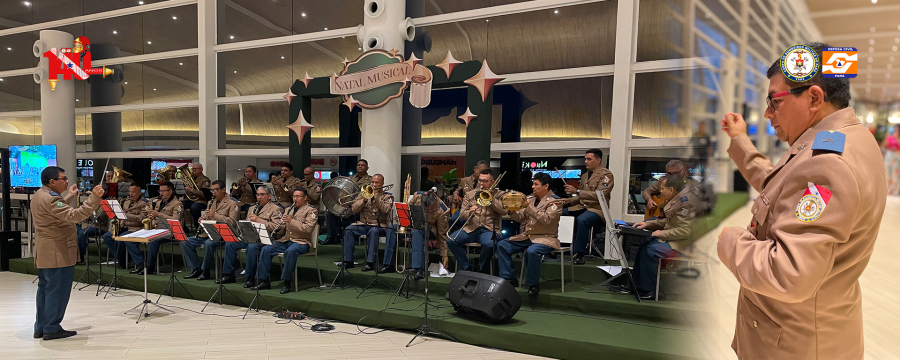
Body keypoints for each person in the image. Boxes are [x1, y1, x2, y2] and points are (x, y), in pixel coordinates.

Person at [717, 42, 886, 360]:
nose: (767, 113)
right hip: (818, 330)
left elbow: (789, 273)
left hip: (795, 343)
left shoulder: (829, 162)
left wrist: (731, 242)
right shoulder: (839, 136)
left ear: (814, 98)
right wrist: (740, 140)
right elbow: (785, 187)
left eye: (774, 101)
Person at [32, 166, 104, 340]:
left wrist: (70, 195)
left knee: (45, 290)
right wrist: (94, 198)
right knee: (58, 291)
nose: (67, 181)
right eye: (63, 179)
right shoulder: (51, 199)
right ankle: (52, 327)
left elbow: (57, 210)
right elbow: (74, 216)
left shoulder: (40, 195)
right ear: (52, 182)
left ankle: (41, 326)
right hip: (58, 252)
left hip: (45, 250)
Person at [630, 176, 702, 300]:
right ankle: (638, 285)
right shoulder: (677, 198)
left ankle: (652, 290)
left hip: (686, 244)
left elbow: (685, 231)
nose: (661, 191)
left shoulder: (686, 203)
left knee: (650, 250)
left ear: (671, 189)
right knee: (643, 246)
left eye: (663, 188)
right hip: (677, 239)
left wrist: (660, 234)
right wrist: (648, 224)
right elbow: (669, 222)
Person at [498, 172, 561, 296]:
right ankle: (509, 278)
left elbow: (546, 219)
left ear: (546, 186)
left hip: (546, 238)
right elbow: (521, 217)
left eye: (536, 184)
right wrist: (511, 210)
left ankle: (533, 284)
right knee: (502, 245)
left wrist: (529, 207)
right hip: (528, 236)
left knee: (532, 251)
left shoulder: (556, 202)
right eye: (533, 184)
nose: (532, 187)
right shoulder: (530, 199)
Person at [254, 188, 317, 293]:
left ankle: (287, 282)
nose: (295, 199)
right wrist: (278, 227)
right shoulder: (288, 209)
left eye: (298, 196)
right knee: (266, 249)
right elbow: (283, 227)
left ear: (305, 198)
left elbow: (308, 229)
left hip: (301, 241)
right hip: (286, 240)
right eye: (294, 196)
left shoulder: (311, 210)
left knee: (291, 251)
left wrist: (291, 221)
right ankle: (263, 280)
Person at [558, 149, 614, 264]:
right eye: (585, 159)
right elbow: (580, 197)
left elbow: (601, 195)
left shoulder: (606, 175)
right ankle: (559, 247)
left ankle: (580, 254)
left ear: (598, 160)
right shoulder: (584, 176)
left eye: (589, 159)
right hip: (581, 207)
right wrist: (568, 200)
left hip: (597, 210)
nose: (586, 161)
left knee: (582, 220)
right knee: (560, 214)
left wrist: (577, 191)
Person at [219, 187, 282, 288]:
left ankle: (250, 277)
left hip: (265, 238)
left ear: (269, 196)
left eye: (262, 195)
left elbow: (276, 228)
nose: (259, 197)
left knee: (252, 247)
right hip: (249, 236)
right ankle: (228, 274)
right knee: (230, 243)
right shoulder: (252, 208)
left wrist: (258, 220)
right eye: (257, 195)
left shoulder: (275, 208)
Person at [446, 169, 506, 273]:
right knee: (451, 240)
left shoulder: (500, 194)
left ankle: (480, 268)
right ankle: (467, 267)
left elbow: (504, 211)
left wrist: (491, 199)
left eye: (485, 181)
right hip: (472, 228)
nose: (481, 183)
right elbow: (462, 215)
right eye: (480, 180)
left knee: (489, 244)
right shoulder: (470, 194)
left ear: (493, 182)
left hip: (489, 229)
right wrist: (470, 212)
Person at [384, 190, 451, 279]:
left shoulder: (443, 210)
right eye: (425, 209)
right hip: (413, 224)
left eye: (431, 209)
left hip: (430, 230)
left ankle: (419, 269)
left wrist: (444, 255)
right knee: (392, 228)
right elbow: (407, 209)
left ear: (435, 201)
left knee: (417, 232)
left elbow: (443, 235)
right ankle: (389, 264)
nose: (428, 211)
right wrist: (401, 216)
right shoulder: (417, 196)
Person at [182, 180, 240, 280]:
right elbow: (208, 218)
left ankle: (206, 270)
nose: (213, 193)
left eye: (216, 190)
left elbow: (232, 222)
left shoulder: (232, 203)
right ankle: (196, 268)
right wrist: (203, 220)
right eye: (212, 190)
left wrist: (215, 216)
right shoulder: (210, 202)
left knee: (208, 244)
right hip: (209, 233)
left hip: (224, 235)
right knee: (185, 241)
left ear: (223, 190)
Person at [125, 181, 183, 275]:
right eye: (160, 191)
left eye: (163, 191)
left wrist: (158, 214)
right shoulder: (158, 202)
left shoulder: (178, 204)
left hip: (170, 231)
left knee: (153, 241)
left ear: (170, 192)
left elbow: (176, 219)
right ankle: (140, 264)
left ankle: (149, 267)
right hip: (155, 229)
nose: (160, 193)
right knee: (129, 239)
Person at [342, 174, 395, 271]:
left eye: (376, 182)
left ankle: (370, 263)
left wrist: (377, 197)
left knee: (373, 231)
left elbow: (385, 210)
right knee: (349, 229)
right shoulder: (363, 194)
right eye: (372, 182)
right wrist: (364, 200)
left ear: (382, 183)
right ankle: (348, 261)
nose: (374, 184)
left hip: (379, 225)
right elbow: (354, 209)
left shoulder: (388, 197)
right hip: (363, 224)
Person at [100, 183, 149, 269]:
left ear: (139, 192)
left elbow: (141, 218)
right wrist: (120, 223)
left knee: (122, 237)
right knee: (107, 236)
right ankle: (121, 258)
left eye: (133, 192)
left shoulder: (145, 204)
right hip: (124, 227)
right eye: (130, 191)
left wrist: (125, 215)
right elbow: (122, 217)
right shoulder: (126, 202)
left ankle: (132, 262)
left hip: (136, 228)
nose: (131, 194)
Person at [325, 160, 371, 244]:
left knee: (356, 214)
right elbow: (342, 193)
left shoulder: (370, 180)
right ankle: (331, 237)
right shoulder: (349, 179)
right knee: (331, 213)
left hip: (359, 207)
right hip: (346, 205)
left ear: (367, 168)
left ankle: (350, 238)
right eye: (358, 165)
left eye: (362, 165)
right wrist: (342, 201)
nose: (360, 166)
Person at [881, 124, 900, 195]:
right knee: (887, 171)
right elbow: (883, 145)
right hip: (890, 155)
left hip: (897, 156)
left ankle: (895, 189)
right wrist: (886, 138)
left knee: (896, 172)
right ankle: (887, 188)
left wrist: (897, 138)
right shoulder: (889, 137)